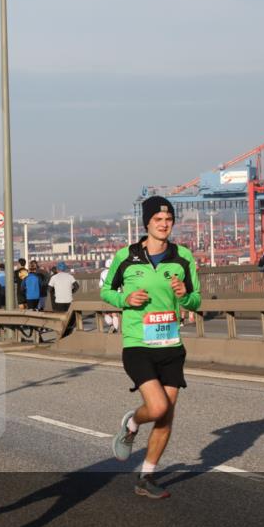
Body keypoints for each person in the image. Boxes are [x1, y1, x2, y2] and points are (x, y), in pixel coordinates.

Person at [103, 195, 201, 499]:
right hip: (138, 344)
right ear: (147, 223)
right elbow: (106, 291)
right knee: (157, 407)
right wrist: (125, 299)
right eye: (158, 219)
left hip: (171, 344)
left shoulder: (183, 257)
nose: (164, 224)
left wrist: (185, 295)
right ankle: (132, 423)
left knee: (166, 416)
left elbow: (196, 300)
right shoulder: (126, 256)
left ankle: (146, 477)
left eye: (169, 219)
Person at [98, 266, 120, 333]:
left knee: (106, 312)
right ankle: (115, 328)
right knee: (114, 313)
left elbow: (100, 285)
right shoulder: (117, 271)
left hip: (107, 294)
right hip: (117, 294)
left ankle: (112, 326)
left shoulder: (103, 273)